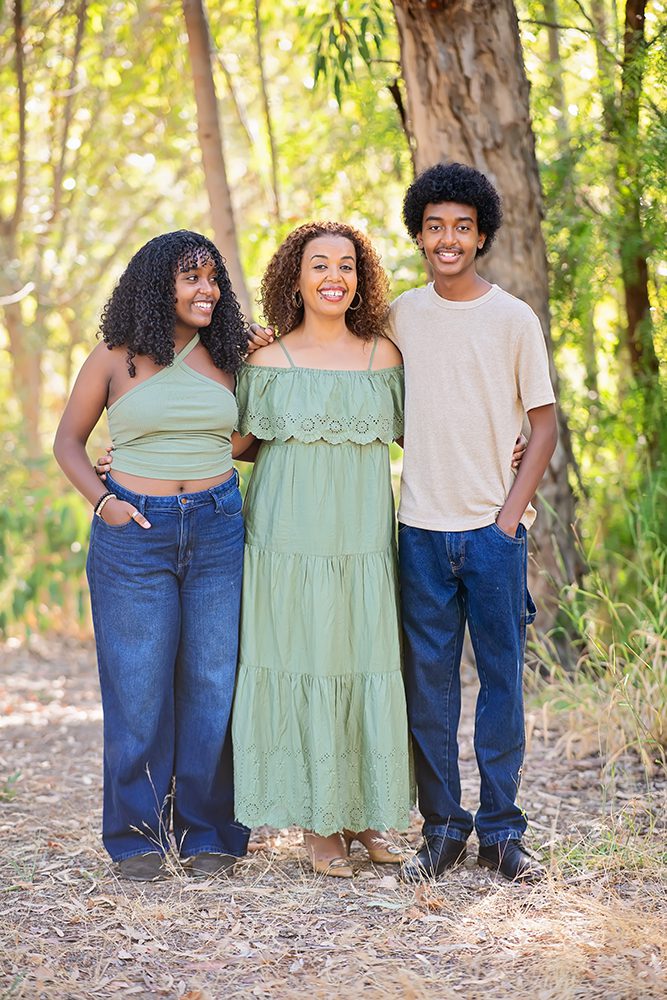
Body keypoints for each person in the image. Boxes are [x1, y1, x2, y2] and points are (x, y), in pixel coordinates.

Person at [53, 231, 251, 882]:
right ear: (156, 284)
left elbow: (247, 439)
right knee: (138, 689)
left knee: (211, 683)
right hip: (135, 532)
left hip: (218, 526)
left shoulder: (231, 355)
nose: (207, 290)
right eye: (191, 277)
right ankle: (137, 837)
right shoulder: (115, 358)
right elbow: (69, 443)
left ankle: (206, 830)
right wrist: (103, 502)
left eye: (213, 278)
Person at [389, 163, 558, 883]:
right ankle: (442, 830)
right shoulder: (398, 314)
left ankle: (501, 833)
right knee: (428, 691)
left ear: (481, 234)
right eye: (434, 227)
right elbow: (375, 398)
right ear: (419, 235)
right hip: (419, 530)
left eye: (461, 226)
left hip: (492, 535)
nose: (447, 238)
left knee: (500, 687)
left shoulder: (513, 319)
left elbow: (543, 427)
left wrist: (506, 519)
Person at [231, 222, 413, 877]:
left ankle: (360, 812)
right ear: (296, 279)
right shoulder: (264, 361)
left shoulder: (382, 358)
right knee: (303, 661)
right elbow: (228, 443)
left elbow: (428, 434)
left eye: (346, 265)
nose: (333, 276)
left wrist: (508, 443)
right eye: (319, 265)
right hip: (285, 543)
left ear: (360, 280)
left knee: (361, 662)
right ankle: (318, 822)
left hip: (361, 545)